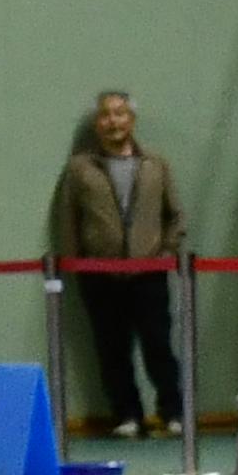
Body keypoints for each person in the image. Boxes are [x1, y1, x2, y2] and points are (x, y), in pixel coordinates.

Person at [48, 91, 188, 439]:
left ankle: (173, 412)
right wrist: (76, 264)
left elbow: (176, 216)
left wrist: (165, 250)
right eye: (106, 115)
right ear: (98, 123)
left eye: (120, 113)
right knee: (112, 349)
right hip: (100, 277)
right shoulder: (80, 169)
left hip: (149, 274)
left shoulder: (155, 165)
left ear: (132, 120)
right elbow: (68, 220)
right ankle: (127, 414)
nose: (113, 121)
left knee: (158, 345)